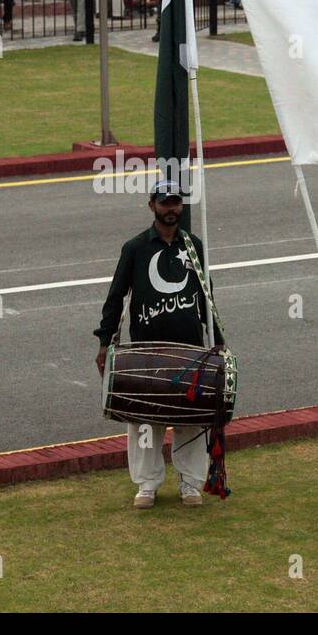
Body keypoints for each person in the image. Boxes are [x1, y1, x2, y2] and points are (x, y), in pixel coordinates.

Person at [95, 179, 222, 510]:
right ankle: (147, 484)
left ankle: (190, 483)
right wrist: (105, 342)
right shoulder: (135, 249)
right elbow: (116, 297)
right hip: (147, 351)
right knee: (144, 418)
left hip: (191, 349)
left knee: (192, 417)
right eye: (165, 203)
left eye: (176, 203)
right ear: (151, 205)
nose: (171, 209)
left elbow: (208, 296)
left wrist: (218, 343)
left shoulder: (193, 245)